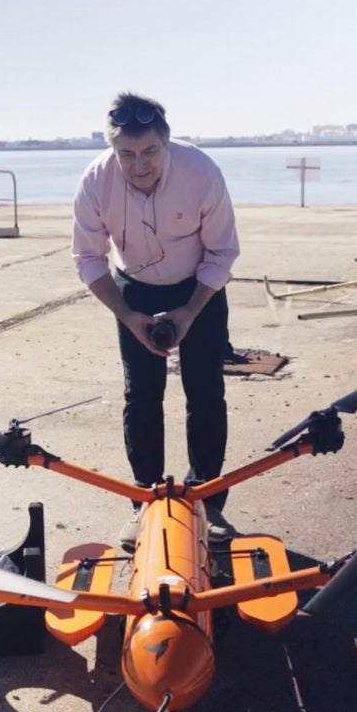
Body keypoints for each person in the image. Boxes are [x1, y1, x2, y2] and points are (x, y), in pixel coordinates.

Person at [72, 92, 240, 553]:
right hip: (134, 290)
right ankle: (146, 500)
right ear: (113, 150)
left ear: (166, 143)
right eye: (126, 154)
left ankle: (207, 500)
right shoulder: (95, 180)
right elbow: (88, 258)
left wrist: (189, 310)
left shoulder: (201, 171)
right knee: (140, 395)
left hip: (198, 285)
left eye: (149, 152)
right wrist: (127, 315)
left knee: (205, 391)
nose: (138, 165)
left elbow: (224, 251)